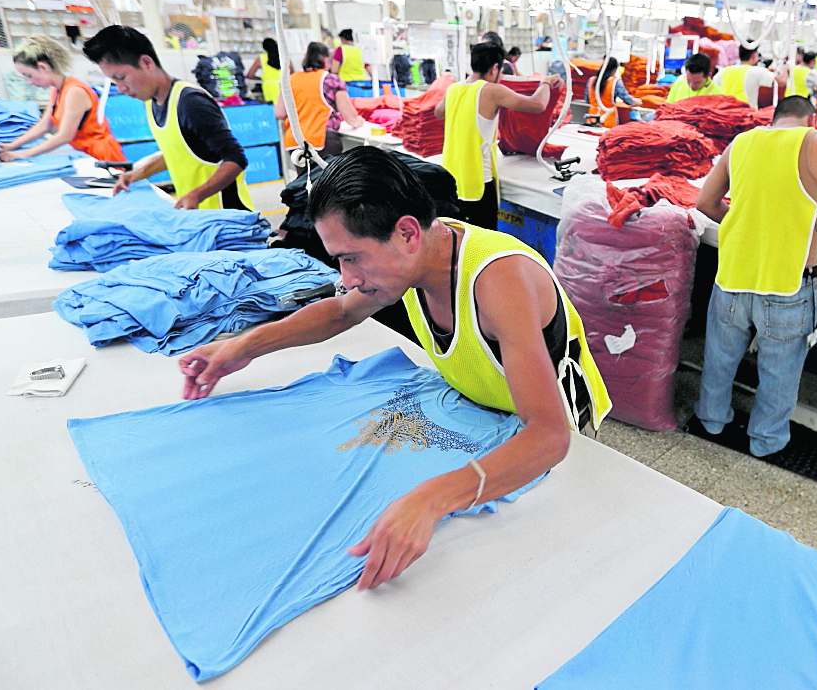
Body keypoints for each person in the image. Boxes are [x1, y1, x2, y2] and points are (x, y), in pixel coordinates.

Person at [178, 145, 611, 591]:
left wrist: (433, 497)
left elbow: (548, 436)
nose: (347, 278)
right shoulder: (415, 261)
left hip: (554, 444)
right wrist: (241, 347)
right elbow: (340, 312)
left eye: (351, 258)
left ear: (407, 233)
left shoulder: (498, 280)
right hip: (487, 416)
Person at [694, 95, 817, 458]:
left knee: (719, 359)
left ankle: (711, 420)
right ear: (811, 120)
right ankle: (765, 441)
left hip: (733, 277)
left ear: (774, 119)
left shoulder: (741, 143)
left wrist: (746, 226)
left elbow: (705, 203)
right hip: (788, 285)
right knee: (779, 373)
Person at [83, 25, 254, 211]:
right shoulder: (151, 102)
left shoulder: (191, 103)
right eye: (114, 81)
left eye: (121, 77)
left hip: (226, 215)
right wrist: (138, 174)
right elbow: (179, 152)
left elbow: (236, 159)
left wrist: (196, 195)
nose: (120, 88)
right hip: (199, 215)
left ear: (146, 63)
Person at [434, 42, 563, 230]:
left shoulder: (454, 89)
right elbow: (537, 105)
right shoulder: (491, 91)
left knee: (460, 238)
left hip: (453, 180)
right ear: (494, 68)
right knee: (484, 240)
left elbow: (438, 112)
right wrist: (545, 83)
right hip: (478, 183)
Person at [0, 36, 125, 163]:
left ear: (43, 67)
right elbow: (44, 125)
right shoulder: (57, 90)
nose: (28, 82)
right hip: (83, 152)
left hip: (99, 155)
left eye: (29, 75)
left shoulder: (75, 91)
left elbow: (65, 136)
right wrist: (11, 146)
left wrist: (22, 154)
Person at [275, 41, 364, 177]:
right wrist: (359, 122)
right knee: (328, 184)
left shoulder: (291, 79)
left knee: (305, 184)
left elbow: (279, 113)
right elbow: (350, 117)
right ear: (326, 60)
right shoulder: (331, 80)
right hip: (322, 140)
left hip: (295, 141)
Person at [714, 43, 787, 109]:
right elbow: (781, 82)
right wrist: (785, 68)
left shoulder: (723, 71)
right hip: (747, 114)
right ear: (754, 55)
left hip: (724, 113)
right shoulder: (757, 71)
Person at [584, 56, 642, 128]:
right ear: (614, 70)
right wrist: (637, 102)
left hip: (592, 118)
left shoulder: (591, 81)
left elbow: (587, 100)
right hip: (607, 119)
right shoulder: (615, 83)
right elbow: (627, 100)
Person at [245, 37, 292, 104]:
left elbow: (249, 75)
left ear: (264, 47)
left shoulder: (261, 58)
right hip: (284, 85)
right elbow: (293, 73)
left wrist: (262, 79)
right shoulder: (284, 57)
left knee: (272, 107)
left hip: (268, 86)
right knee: (284, 106)